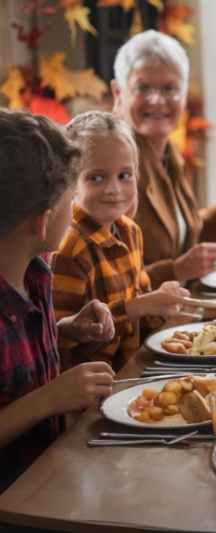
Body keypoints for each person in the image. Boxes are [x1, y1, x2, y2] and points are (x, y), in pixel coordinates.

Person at [0, 109, 117, 492]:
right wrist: (49, 399)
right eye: (73, 198)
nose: (77, 208)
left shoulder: (36, 273)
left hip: (52, 476)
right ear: (42, 221)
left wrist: (66, 328)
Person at [112, 30, 216, 286]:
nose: (158, 101)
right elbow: (110, 278)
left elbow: (177, 237)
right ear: (118, 92)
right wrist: (175, 271)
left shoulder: (166, 149)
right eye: (142, 88)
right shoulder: (113, 161)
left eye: (170, 88)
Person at [51, 111, 190, 372]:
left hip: (131, 371)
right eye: (96, 177)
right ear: (71, 182)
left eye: (124, 175)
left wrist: (162, 301)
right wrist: (136, 308)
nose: (114, 189)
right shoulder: (70, 248)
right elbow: (59, 343)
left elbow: (142, 320)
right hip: (91, 395)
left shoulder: (130, 231)